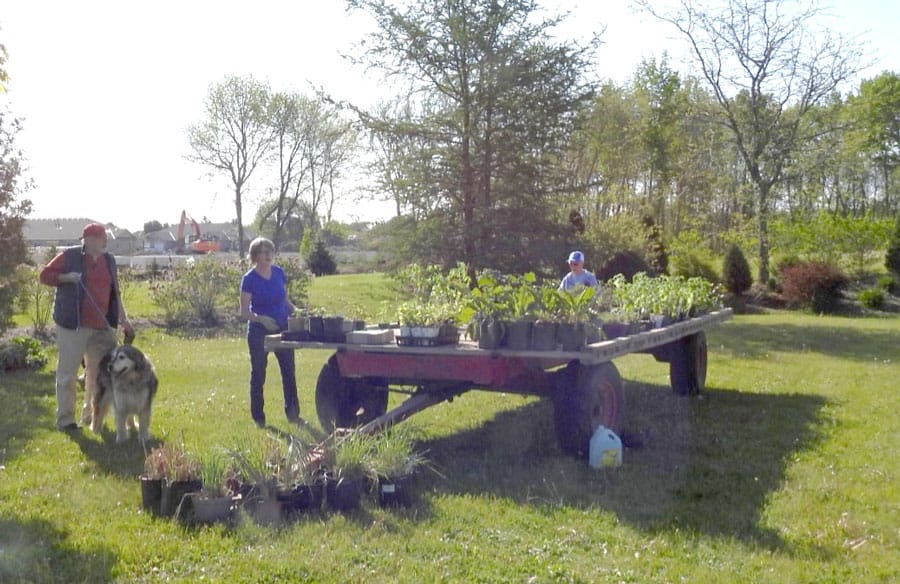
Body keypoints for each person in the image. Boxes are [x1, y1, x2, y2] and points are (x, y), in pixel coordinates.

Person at [39, 222, 134, 431]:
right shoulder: (69, 256)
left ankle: (91, 415)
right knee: (67, 373)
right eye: (92, 239)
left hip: (102, 325)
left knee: (99, 373)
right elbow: (44, 276)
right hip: (73, 325)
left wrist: (123, 319)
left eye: (100, 238)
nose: (98, 242)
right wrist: (65, 278)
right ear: (86, 241)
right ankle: (66, 421)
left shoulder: (109, 260)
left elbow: (115, 293)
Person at [239, 237, 300, 428]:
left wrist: (297, 311)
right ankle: (259, 418)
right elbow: (244, 312)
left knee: (289, 371)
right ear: (255, 256)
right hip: (259, 332)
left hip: (282, 329)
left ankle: (293, 415)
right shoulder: (249, 279)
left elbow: (284, 300)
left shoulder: (279, 273)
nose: (267, 256)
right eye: (263, 252)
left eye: (270, 252)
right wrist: (260, 319)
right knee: (258, 374)